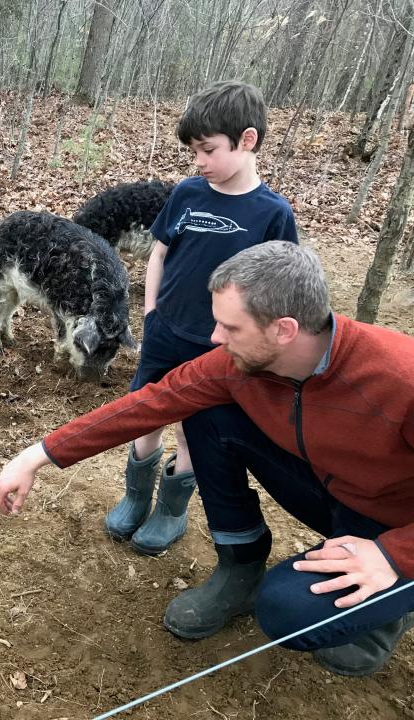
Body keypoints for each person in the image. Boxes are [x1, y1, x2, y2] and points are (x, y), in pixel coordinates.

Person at [0, 242, 414, 676]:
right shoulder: (239, 364)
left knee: (287, 613)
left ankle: (388, 609)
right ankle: (240, 565)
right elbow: (153, 401)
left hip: (394, 524)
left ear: (284, 330)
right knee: (206, 411)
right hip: (328, 489)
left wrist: (393, 555)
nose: (215, 338)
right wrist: (38, 455)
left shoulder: (401, 377)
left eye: (231, 327)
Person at [110, 81, 298, 556]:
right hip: (164, 330)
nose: (199, 161)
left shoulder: (273, 214)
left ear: (248, 140)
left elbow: (277, 290)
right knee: (144, 414)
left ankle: (170, 511)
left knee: (192, 425)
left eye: (208, 149)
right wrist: (151, 313)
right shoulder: (188, 193)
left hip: (218, 347)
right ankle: (135, 498)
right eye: (194, 150)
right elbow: (159, 254)